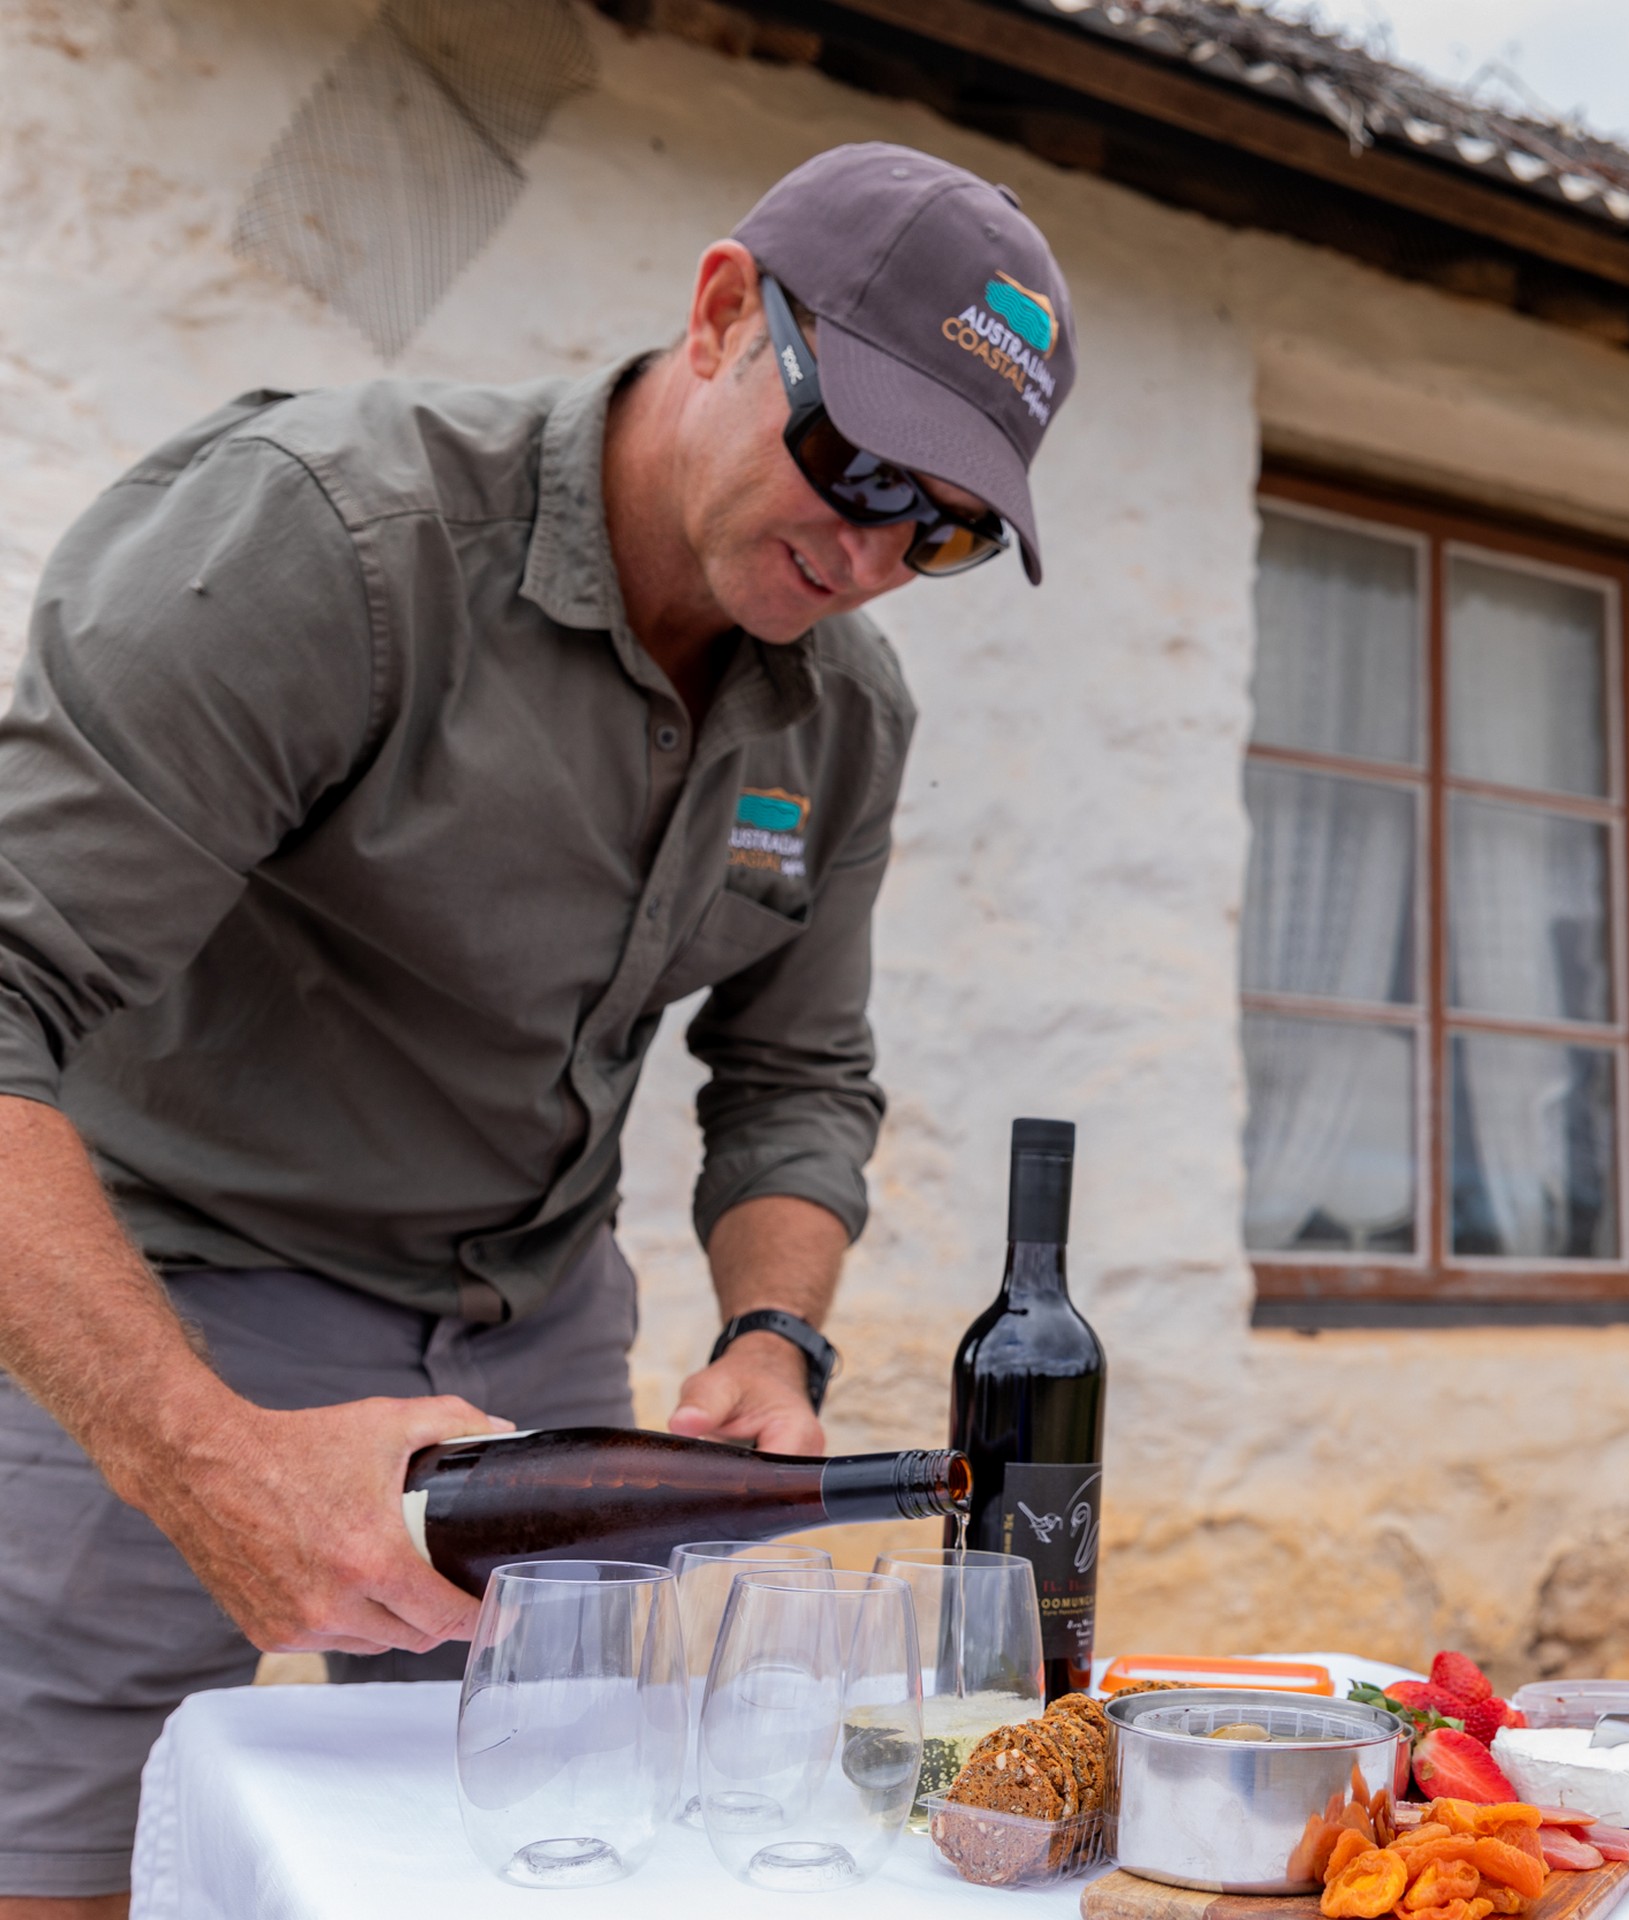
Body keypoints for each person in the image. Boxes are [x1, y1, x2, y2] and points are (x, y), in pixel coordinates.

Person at [0, 143, 1077, 1914]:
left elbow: (795, 1071)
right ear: (725, 312)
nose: (875, 548)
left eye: (943, 525)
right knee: (57, 1855)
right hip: (178, 1288)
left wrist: (775, 1336)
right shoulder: (321, 541)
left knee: (546, 1852)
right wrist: (200, 1449)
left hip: (536, 1344)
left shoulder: (844, 721)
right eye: (861, 456)